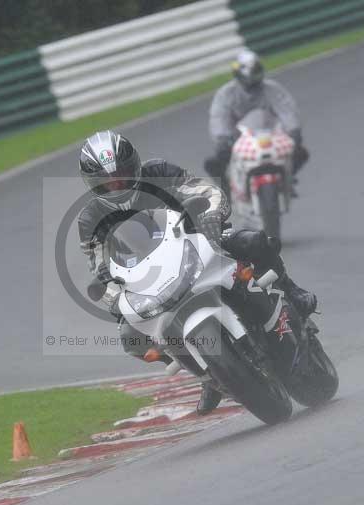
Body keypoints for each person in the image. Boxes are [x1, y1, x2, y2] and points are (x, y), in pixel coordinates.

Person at [77, 130, 317, 415]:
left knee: (252, 241)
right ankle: (206, 373)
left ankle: (292, 291)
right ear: (93, 184)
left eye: (123, 176)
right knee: (130, 334)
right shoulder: (91, 218)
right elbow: (98, 263)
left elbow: (206, 190)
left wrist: (212, 215)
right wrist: (112, 294)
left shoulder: (159, 172)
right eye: (109, 183)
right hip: (147, 276)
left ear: (136, 165)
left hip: (196, 240)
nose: (118, 185)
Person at [204, 48, 309, 195]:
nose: (252, 79)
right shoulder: (225, 94)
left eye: (256, 73)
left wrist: (294, 130)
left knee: (301, 153)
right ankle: (226, 190)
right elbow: (219, 117)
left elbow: (286, 110)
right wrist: (222, 138)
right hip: (239, 141)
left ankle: (286, 178)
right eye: (249, 75)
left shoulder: (273, 89)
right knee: (212, 163)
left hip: (272, 137)